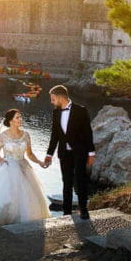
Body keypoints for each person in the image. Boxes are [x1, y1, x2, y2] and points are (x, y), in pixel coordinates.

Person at [0, 109, 51, 225]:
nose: (20, 120)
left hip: (23, 167)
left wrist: (39, 162)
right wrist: (1, 161)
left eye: (20, 117)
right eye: (17, 117)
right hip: (8, 167)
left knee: (27, 197)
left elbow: (29, 154)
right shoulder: (2, 136)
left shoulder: (26, 135)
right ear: (10, 121)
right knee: (6, 195)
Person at [43, 85, 96, 220]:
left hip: (80, 152)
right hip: (64, 154)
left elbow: (88, 133)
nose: (51, 102)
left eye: (53, 99)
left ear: (61, 97)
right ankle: (66, 213)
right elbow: (54, 135)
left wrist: (91, 154)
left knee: (80, 181)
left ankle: (84, 210)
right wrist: (49, 154)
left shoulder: (81, 111)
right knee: (66, 182)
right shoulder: (56, 113)